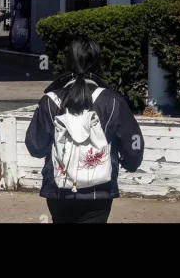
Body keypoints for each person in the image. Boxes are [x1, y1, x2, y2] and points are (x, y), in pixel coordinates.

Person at [25, 36, 144, 224]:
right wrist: (129, 163)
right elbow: (133, 143)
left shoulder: (49, 101)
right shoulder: (113, 101)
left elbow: (35, 146)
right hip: (99, 190)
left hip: (59, 190)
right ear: (98, 63)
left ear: (68, 62)